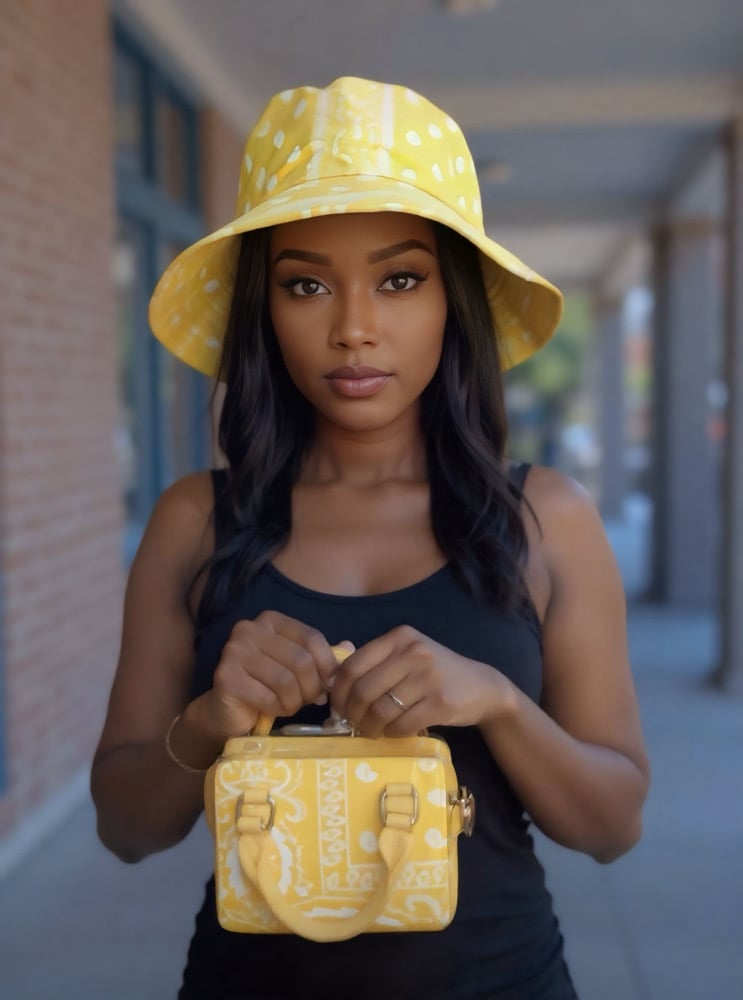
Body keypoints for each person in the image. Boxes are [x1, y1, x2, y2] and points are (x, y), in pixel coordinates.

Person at [91, 77, 649, 999]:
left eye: (399, 280)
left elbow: (611, 827)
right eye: (306, 285)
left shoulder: (545, 517)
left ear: (451, 299)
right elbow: (126, 829)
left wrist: (498, 703)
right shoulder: (195, 520)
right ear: (265, 309)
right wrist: (212, 721)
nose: (353, 329)